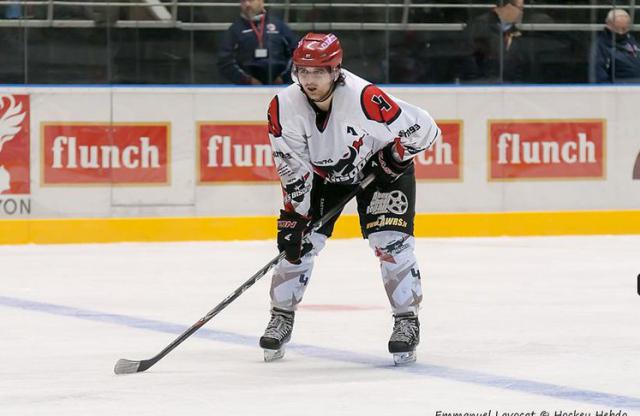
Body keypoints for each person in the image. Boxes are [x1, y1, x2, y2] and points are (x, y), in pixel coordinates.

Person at [260, 33, 441, 365]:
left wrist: (397, 156)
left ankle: (406, 322)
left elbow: (426, 129)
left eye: (319, 72)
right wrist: (293, 215)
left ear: (336, 71)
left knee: (391, 243)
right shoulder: (282, 106)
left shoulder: (365, 98)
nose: (310, 80)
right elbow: (291, 166)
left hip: (381, 172)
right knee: (299, 242)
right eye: (303, 71)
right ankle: (281, 316)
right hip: (324, 176)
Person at [217, 0, 297, 85]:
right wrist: (246, 80)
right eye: (243, 1)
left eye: (251, 0)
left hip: (280, 86)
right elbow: (224, 61)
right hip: (246, 89)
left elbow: (297, 53)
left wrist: (284, 78)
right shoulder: (235, 30)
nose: (247, 4)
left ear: (261, 1)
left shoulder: (278, 25)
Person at [463, 0, 526, 82]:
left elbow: (519, 63)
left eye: (522, 8)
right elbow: (468, 55)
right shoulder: (479, 25)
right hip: (481, 84)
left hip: (510, 86)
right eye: (519, 8)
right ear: (504, 7)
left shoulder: (517, 32)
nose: (521, 12)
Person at [591, 9, 640, 83]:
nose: (620, 32)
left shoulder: (633, 40)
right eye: (617, 28)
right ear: (608, 25)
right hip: (619, 90)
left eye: (624, 29)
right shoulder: (600, 46)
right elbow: (598, 78)